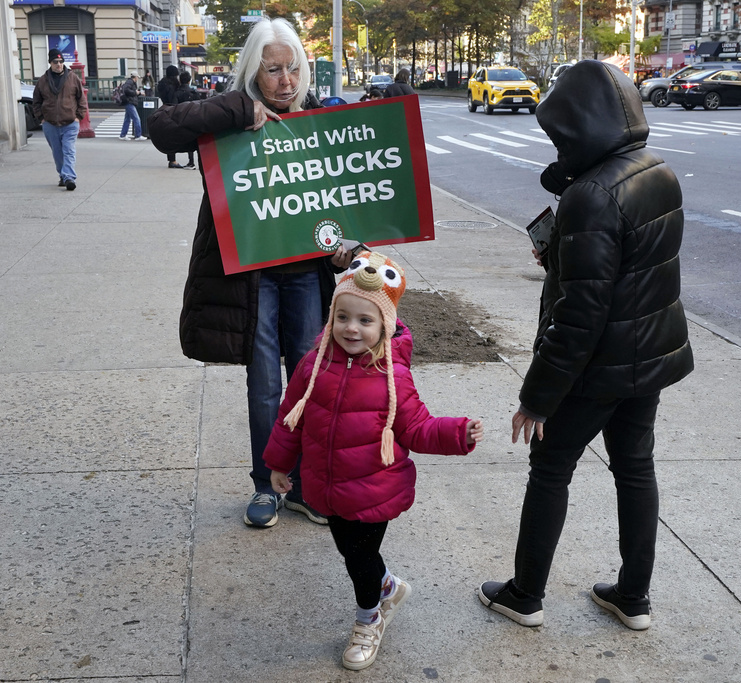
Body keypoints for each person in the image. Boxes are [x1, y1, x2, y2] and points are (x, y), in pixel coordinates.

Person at [477, 60, 694, 631]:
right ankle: (633, 596)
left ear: (582, 123)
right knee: (635, 468)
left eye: (560, 131)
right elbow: (631, 269)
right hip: (647, 357)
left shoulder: (591, 196)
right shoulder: (656, 170)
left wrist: (538, 397)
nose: (557, 140)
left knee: (549, 468)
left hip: (596, 369)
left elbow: (580, 316)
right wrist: (561, 254)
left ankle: (525, 594)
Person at [148, 17, 351, 529]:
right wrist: (239, 108)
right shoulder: (230, 117)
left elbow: (358, 197)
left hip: (307, 273)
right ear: (253, 74)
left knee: (306, 381)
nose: (285, 80)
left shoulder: (324, 118)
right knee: (264, 384)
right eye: (272, 70)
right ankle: (268, 484)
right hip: (253, 278)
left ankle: (303, 486)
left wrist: (352, 248)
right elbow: (163, 128)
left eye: (292, 68)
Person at [264, 251, 484, 671]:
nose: (352, 328)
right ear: (331, 317)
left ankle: (369, 618)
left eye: (365, 320)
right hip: (325, 485)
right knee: (349, 552)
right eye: (343, 316)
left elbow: (417, 427)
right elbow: (290, 417)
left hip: (373, 487)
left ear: (384, 324)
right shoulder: (312, 365)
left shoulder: (391, 374)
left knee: (360, 561)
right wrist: (278, 464)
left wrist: (457, 432)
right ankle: (389, 585)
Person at [32, 48, 86, 191]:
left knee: (69, 150)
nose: (59, 64)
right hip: (50, 123)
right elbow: (36, 101)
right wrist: (41, 118)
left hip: (70, 122)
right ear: (50, 63)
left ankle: (69, 177)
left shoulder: (73, 78)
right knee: (57, 152)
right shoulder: (43, 80)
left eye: (61, 61)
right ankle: (62, 175)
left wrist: (78, 116)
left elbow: (81, 99)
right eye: (56, 62)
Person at [157, 66, 184, 168]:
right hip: (174, 110)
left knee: (169, 135)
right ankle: (173, 161)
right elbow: (174, 98)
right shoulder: (174, 85)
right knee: (174, 135)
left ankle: (172, 159)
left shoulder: (162, 83)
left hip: (165, 108)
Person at [174, 72, 198, 168]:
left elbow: (174, 106)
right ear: (189, 81)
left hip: (180, 119)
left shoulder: (177, 93)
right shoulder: (194, 93)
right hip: (192, 118)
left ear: (180, 80)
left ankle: (174, 160)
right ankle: (192, 161)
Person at [119, 72, 144, 141]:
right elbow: (127, 90)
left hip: (128, 101)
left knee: (127, 119)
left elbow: (129, 91)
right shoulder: (130, 82)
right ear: (135, 77)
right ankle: (138, 135)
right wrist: (136, 92)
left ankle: (123, 135)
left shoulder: (130, 82)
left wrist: (138, 93)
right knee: (136, 119)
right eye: (137, 77)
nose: (137, 79)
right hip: (129, 102)